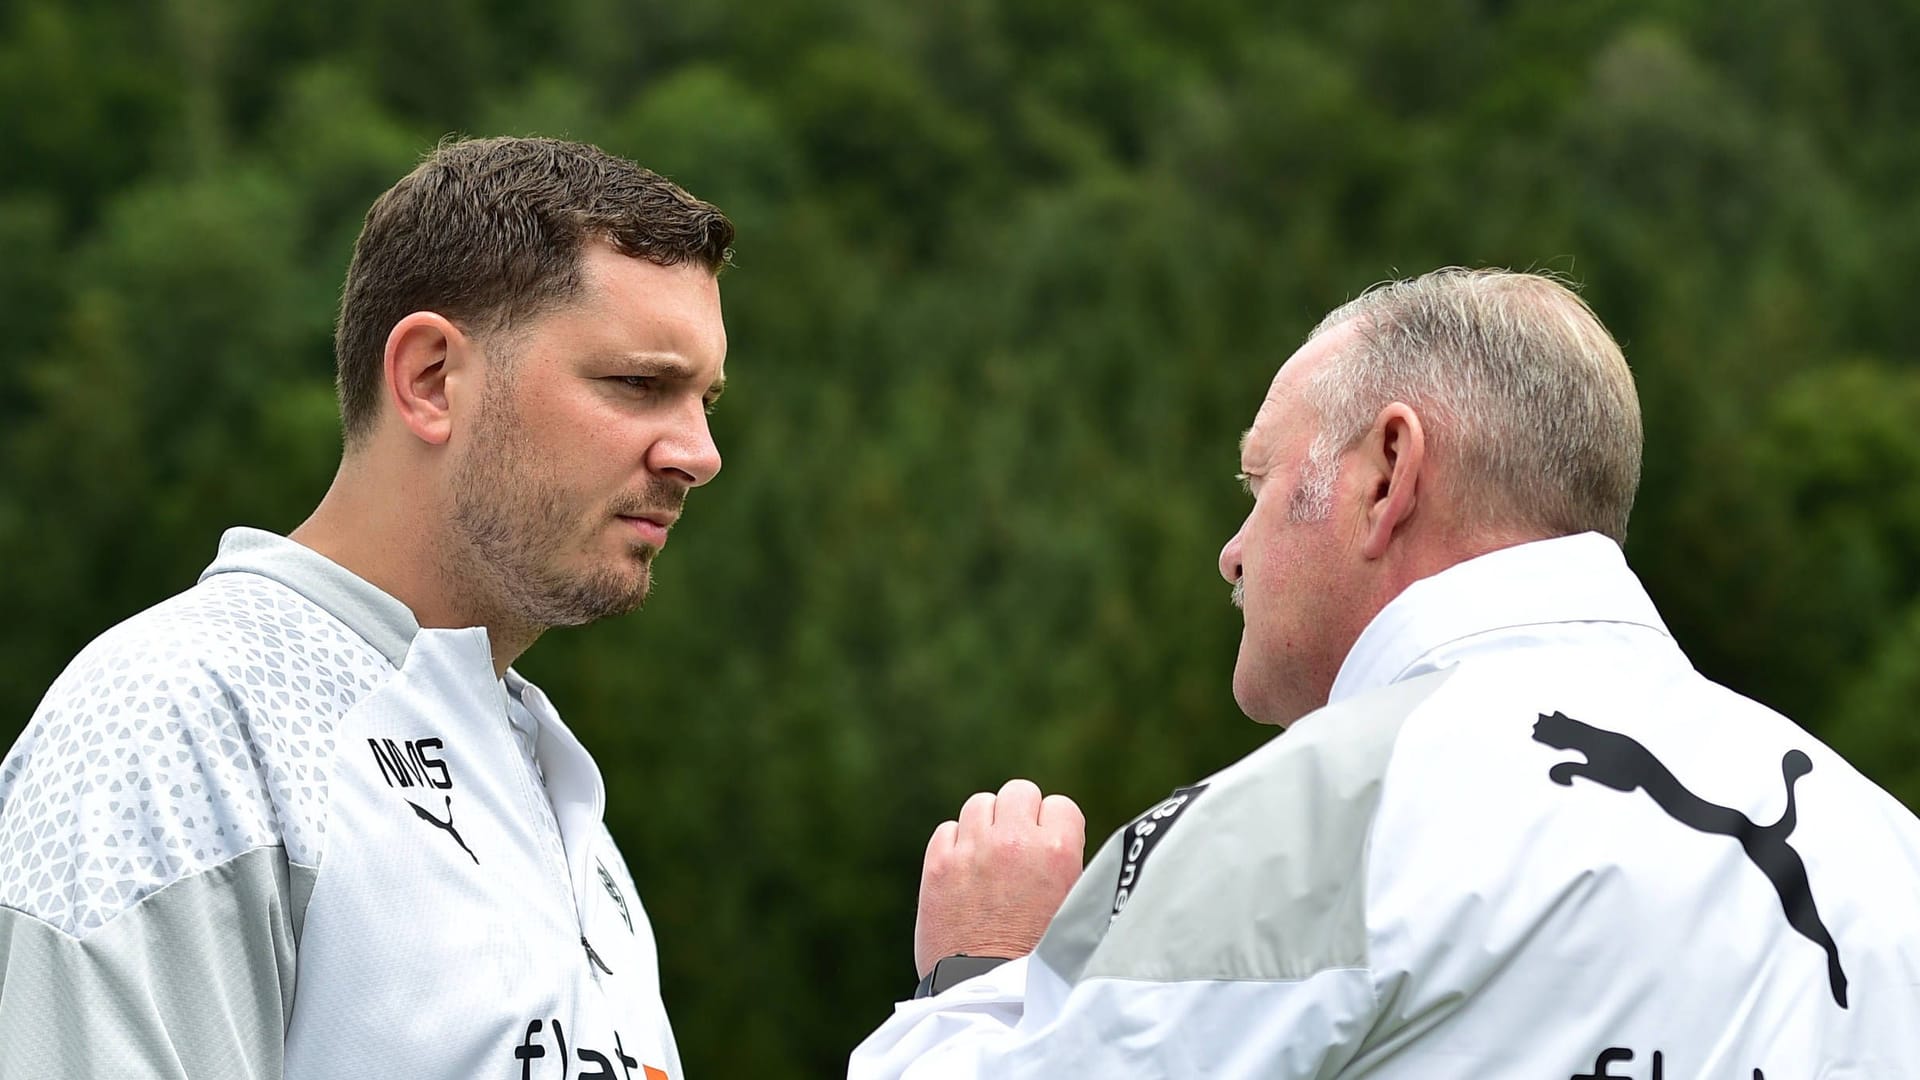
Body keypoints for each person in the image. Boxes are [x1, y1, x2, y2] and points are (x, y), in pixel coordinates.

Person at [851, 269, 1920, 1077]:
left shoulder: (1329, 817)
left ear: (1388, 473)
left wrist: (979, 979)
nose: (1233, 550)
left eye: (1259, 480)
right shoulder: (1887, 850)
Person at [0, 136, 731, 1079]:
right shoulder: (179, 715)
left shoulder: (554, 797)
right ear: (430, 379)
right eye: (641, 385)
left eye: (708, 402)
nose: (698, 454)